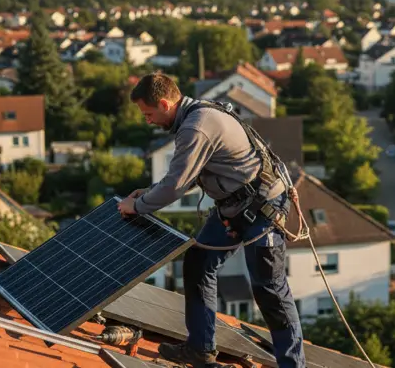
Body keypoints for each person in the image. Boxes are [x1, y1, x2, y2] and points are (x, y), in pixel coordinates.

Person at [117, 73, 306, 368]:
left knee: (270, 289)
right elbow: (188, 173)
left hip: (262, 209)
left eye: (149, 114)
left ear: (166, 104)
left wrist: (136, 206)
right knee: (198, 263)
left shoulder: (196, 126)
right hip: (235, 206)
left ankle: (293, 365)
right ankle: (200, 349)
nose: (148, 121)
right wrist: (150, 192)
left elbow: (176, 186)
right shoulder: (196, 116)